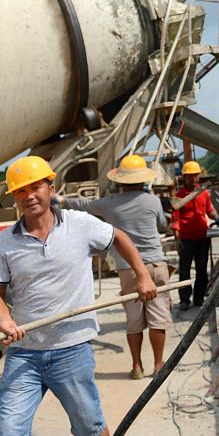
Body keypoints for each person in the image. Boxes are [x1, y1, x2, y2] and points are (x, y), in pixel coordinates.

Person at [0, 155, 159, 436]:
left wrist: (141, 274)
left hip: (71, 349)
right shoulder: (4, 243)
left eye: (36, 187)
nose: (29, 196)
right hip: (25, 355)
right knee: (9, 434)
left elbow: (119, 238)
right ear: (14, 199)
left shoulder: (81, 224)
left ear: (51, 188)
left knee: (90, 422)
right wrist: (4, 321)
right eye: (21, 191)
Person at [60, 153, 173, 380]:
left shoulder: (109, 204)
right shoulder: (152, 200)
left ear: (120, 180)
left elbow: (83, 205)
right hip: (156, 265)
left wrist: (60, 200)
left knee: (134, 319)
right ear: (143, 178)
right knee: (158, 318)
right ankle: (159, 365)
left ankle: (137, 366)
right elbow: (162, 225)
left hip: (128, 268)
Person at [170, 160, 215, 311]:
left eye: (195, 175)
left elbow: (210, 211)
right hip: (186, 238)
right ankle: (184, 300)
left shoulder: (204, 193)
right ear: (185, 177)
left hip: (202, 237)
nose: (193, 178)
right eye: (190, 176)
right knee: (185, 270)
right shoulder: (179, 196)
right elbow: (175, 218)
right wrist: (177, 237)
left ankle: (199, 298)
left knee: (202, 269)